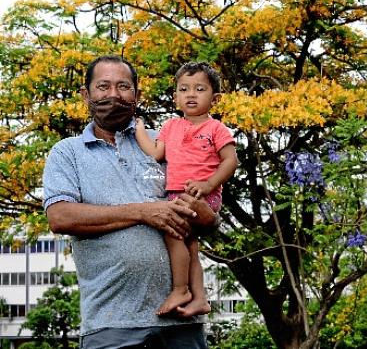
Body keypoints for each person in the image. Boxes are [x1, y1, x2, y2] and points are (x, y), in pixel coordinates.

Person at [42, 55, 218, 349]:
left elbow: (210, 219)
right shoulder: (67, 153)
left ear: (136, 95)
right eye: (103, 86)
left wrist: (202, 211)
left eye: (123, 86)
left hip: (182, 324)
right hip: (111, 325)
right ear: (86, 95)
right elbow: (60, 217)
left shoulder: (165, 142)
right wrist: (143, 212)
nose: (113, 94)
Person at [135, 62, 237, 316]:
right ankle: (200, 298)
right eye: (184, 89)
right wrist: (139, 131)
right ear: (176, 97)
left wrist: (208, 184)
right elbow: (157, 153)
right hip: (176, 194)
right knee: (190, 245)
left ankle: (180, 289)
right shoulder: (170, 126)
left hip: (203, 196)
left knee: (173, 234)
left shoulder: (216, 128)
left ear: (215, 99)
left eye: (199, 89)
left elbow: (231, 160)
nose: (191, 94)